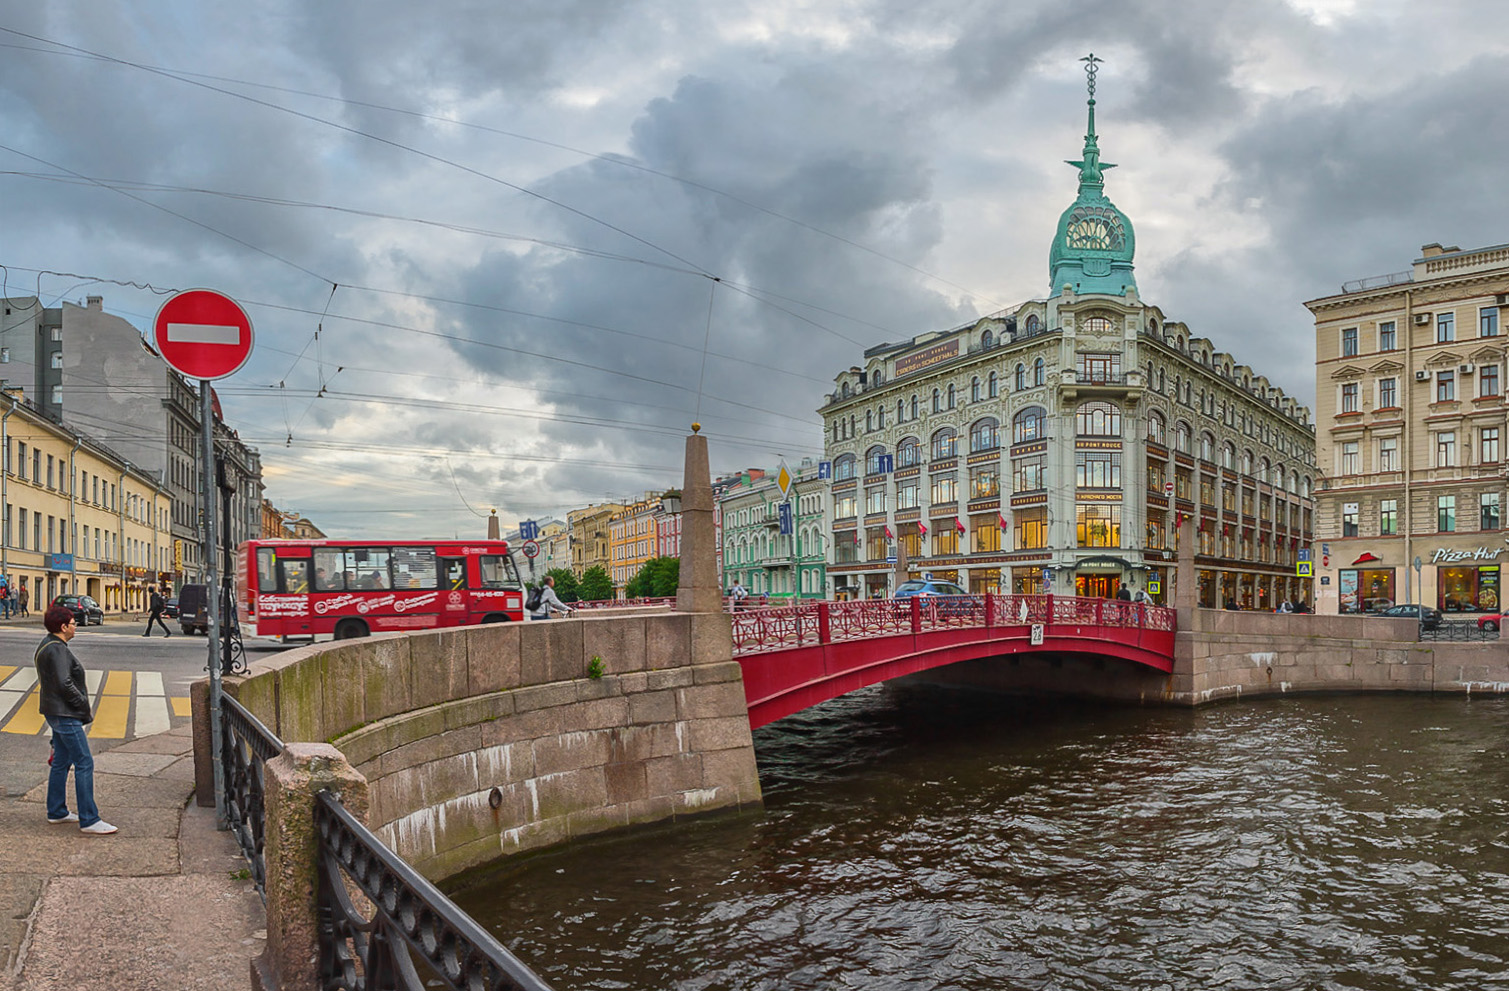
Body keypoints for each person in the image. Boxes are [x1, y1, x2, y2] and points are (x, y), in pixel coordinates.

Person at [37, 604, 116, 834]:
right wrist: (82, 702)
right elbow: (64, 683)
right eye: (73, 624)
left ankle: (57, 811)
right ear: (63, 627)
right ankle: (90, 819)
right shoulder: (58, 649)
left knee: (61, 761)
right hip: (65, 714)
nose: (75, 627)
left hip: (56, 711)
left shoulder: (49, 644)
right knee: (84, 762)